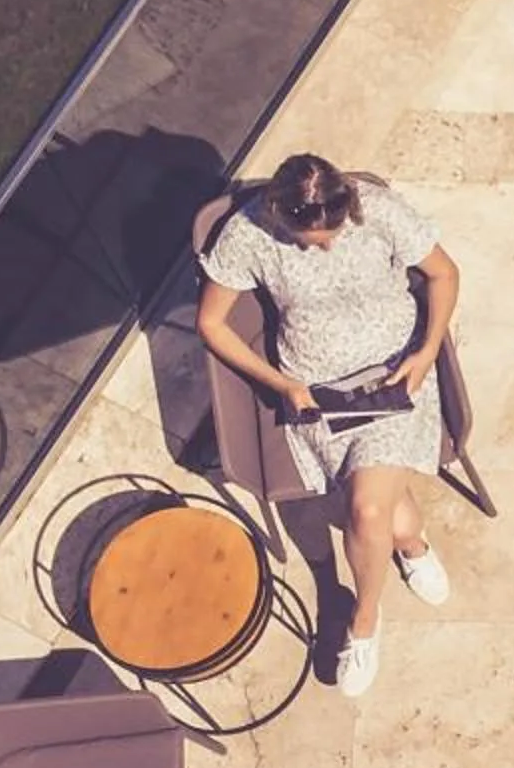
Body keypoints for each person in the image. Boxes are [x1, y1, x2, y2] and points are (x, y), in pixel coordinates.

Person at [195, 154, 460, 698]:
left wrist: (429, 352)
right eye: (311, 239)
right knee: (381, 511)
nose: (326, 245)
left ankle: (363, 623)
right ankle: (408, 540)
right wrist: (281, 384)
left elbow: (444, 272)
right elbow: (211, 324)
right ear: (280, 213)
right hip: (319, 393)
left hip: (397, 376)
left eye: (333, 232)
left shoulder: (378, 212)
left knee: (364, 509)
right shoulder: (251, 233)